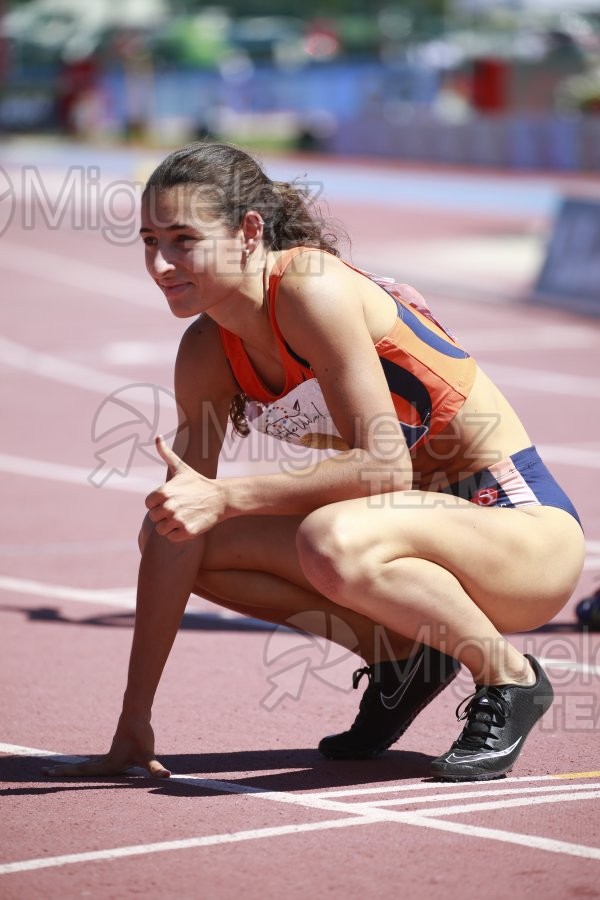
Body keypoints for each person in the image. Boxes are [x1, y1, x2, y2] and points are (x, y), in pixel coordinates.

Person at [45, 141, 585, 783]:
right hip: (408, 539)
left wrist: (229, 496)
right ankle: (401, 654)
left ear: (249, 233)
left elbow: (382, 469)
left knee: (328, 537)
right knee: (179, 536)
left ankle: (510, 677)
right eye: (149, 240)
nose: (161, 264)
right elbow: (177, 529)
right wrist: (134, 718)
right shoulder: (205, 353)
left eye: (184, 239)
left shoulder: (308, 285)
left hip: (518, 533)